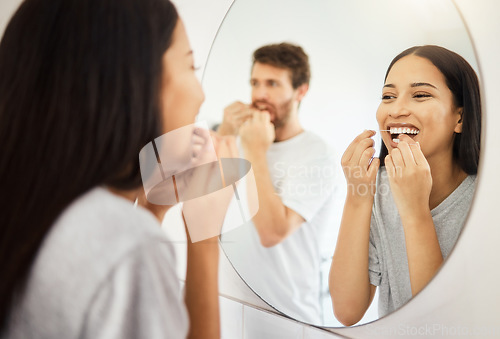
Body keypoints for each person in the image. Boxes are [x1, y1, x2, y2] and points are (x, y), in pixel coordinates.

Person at [0, 0, 236, 338]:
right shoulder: (127, 244)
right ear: (137, 81)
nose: (201, 94)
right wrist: (205, 235)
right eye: (191, 66)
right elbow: (115, 249)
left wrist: (152, 210)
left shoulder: (27, 202)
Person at [329, 45, 481, 326]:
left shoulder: (484, 202)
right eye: (388, 96)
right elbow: (347, 311)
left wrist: (415, 211)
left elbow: (438, 324)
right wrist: (358, 195)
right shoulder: (379, 188)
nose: (397, 109)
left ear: (459, 117)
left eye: (421, 95)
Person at [218, 43, 338, 324]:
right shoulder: (238, 139)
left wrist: (256, 152)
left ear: (301, 91)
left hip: (289, 317)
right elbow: (203, 209)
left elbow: (272, 233)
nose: (259, 94)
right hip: (231, 308)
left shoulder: (318, 154)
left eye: (272, 83)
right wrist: (224, 134)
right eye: (255, 82)